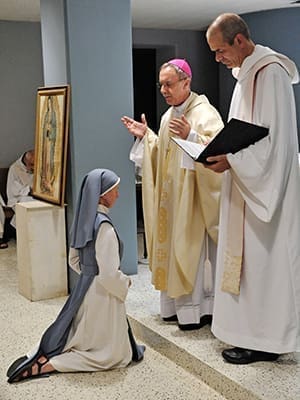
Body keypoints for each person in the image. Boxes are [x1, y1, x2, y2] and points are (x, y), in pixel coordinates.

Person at [205, 13, 300, 364]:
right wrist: (226, 154)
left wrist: (233, 160)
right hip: (247, 185)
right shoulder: (245, 76)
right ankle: (248, 332)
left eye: (220, 50)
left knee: (264, 264)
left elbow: (274, 143)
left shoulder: (270, 73)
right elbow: (246, 132)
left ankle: (268, 340)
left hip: (265, 190)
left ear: (240, 41)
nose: (218, 58)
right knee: (247, 264)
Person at [7, 168, 145, 383]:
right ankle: (51, 364)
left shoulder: (84, 222)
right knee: (114, 356)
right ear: (103, 194)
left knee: (83, 334)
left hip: (86, 289)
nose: (118, 194)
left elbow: (73, 260)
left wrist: (88, 276)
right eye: (115, 190)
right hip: (103, 296)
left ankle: (43, 358)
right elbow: (109, 275)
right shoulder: (105, 228)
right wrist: (125, 283)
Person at [121, 59, 224, 330]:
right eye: (161, 85)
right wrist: (147, 138)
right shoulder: (169, 116)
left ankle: (197, 311)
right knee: (172, 250)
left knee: (192, 254)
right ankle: (175, 309)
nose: (164, 90)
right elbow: (162, 156)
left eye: (169, 84)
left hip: (194, 203)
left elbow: (221, 150)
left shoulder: (204, 113)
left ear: (186, 82)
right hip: (172, 202)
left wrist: (192, 136)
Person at [7, 149, 35, 229]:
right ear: (26, 162)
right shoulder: (14, 169)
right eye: (32, 164)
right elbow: (15, 191)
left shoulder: (35, 166)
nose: (34, 167)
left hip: (33, 195)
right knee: (27, 201)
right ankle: (21, 231)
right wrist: (30, 190)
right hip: (17, 199)